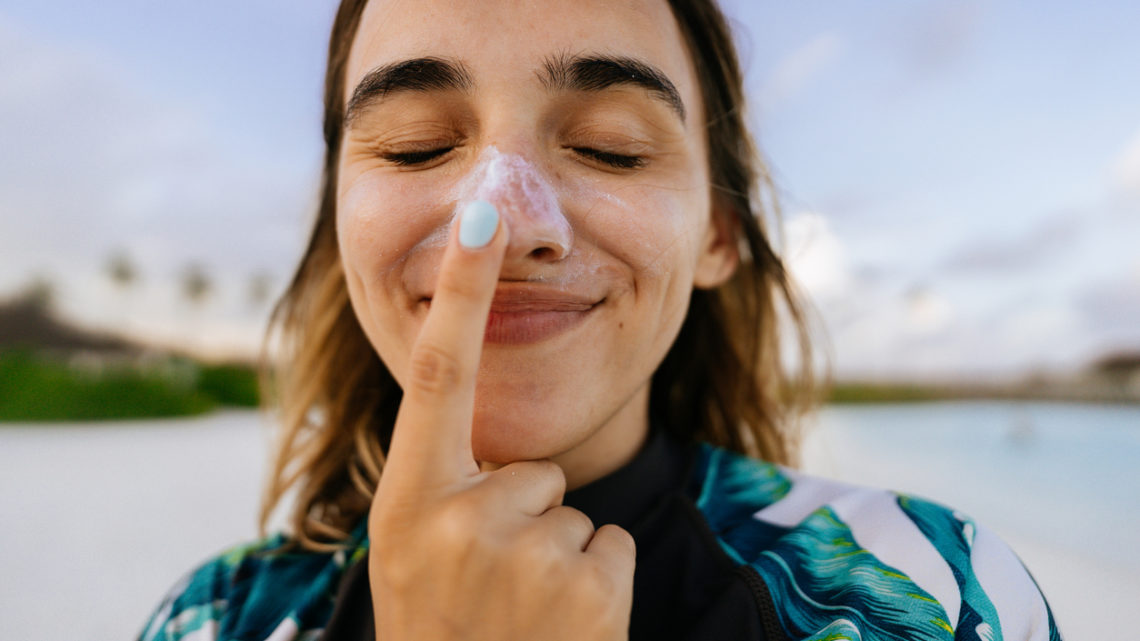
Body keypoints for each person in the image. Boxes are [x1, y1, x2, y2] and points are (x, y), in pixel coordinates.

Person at [138, 0, 1063, 639]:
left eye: (609, 149)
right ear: (340, 224)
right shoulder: (214, 616)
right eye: (418, 144)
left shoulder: (943, 595)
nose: (503, 224)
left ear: (718, 234)